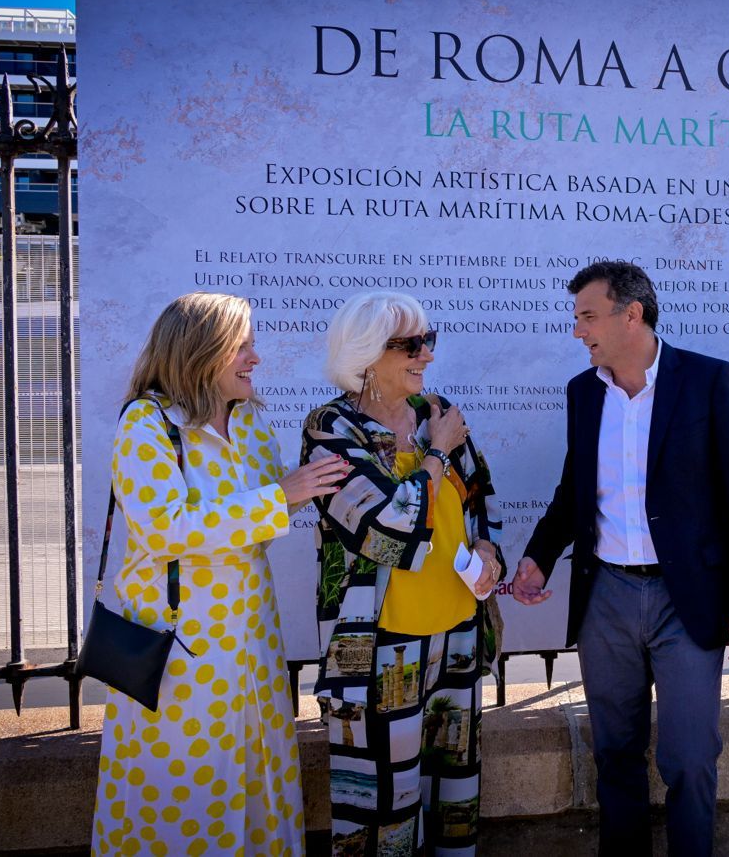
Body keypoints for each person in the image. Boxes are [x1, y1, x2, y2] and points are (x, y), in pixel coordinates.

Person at [512, 261, 729, 857]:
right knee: (616, 753)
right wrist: (540, 556)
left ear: (633, 315)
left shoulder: (708, 380)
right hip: (606, 595)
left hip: (689, 603)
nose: (578, 331)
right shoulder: (583, 392)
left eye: (588, 316)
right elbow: (575, 487)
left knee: (689, 756)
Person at [91, 292, 348, 855]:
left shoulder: (251, 421)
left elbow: (268, 504)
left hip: (251, 642)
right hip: (179, 649)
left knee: (256, 780)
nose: (255, 357)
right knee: (187, 794)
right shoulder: (148, 422)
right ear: (201, 351)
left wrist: (329, 478)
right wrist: (282, 494)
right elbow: (163, 529)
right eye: (242, 345)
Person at [302, 291, 504, 857]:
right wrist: (436, 453)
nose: (426, 355)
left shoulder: (436, 412)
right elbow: (386, 529)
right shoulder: (330, 428)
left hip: (457, 634)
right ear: (366, 355)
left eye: (428, 341)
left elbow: (477, 508)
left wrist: (488, 552)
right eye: (410, 345)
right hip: (377, 648)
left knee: (454, 792)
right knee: (381, 800)